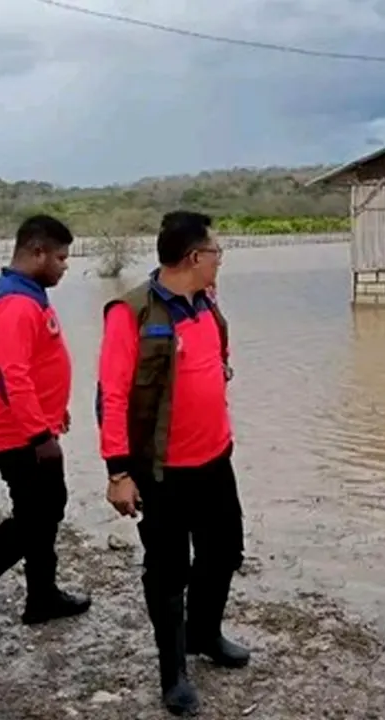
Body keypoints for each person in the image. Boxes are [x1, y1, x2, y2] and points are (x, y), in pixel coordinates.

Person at [97, 210, 248, 717]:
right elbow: (112, 395)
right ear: (193, 257)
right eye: (216, 253)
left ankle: (204, 635)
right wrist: (118, 472)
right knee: (168, 571)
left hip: (215, 458)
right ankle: (173, 671)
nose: (219, 262)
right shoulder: (132, 312)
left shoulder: (206, 301)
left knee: (224, 550)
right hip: (162, 471)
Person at [0, 214, 91, 626]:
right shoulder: (15, 304)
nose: (64, 265)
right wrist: (40, 434)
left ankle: (42, 596)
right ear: (37, 252)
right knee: (36, 515)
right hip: (17, 434)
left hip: (32, 427)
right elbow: (12, 376)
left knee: (43, 510)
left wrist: (55, 412)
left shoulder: (28, 294)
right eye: (60, 257)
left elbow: (36, 364)